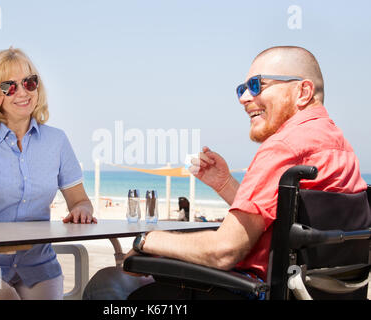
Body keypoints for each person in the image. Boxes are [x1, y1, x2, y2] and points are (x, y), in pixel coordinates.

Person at [82, 46, 368, 300]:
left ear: (302, 92)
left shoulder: (284, 146)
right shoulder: (340, 147)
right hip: (315, 291)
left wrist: (147, 240)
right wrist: (226, 184)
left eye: (257, 85)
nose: (244, 97)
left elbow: (224, 251)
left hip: (248, 291)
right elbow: (287, 220)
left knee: (108, 282)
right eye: (241, 88)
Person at [0, 47, 96, 300]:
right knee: (3, 297)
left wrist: (82, 210)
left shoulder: (57, 140)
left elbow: (80, 200)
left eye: (29, 83)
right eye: (10, 86)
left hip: (38, 266)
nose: (23, 92)